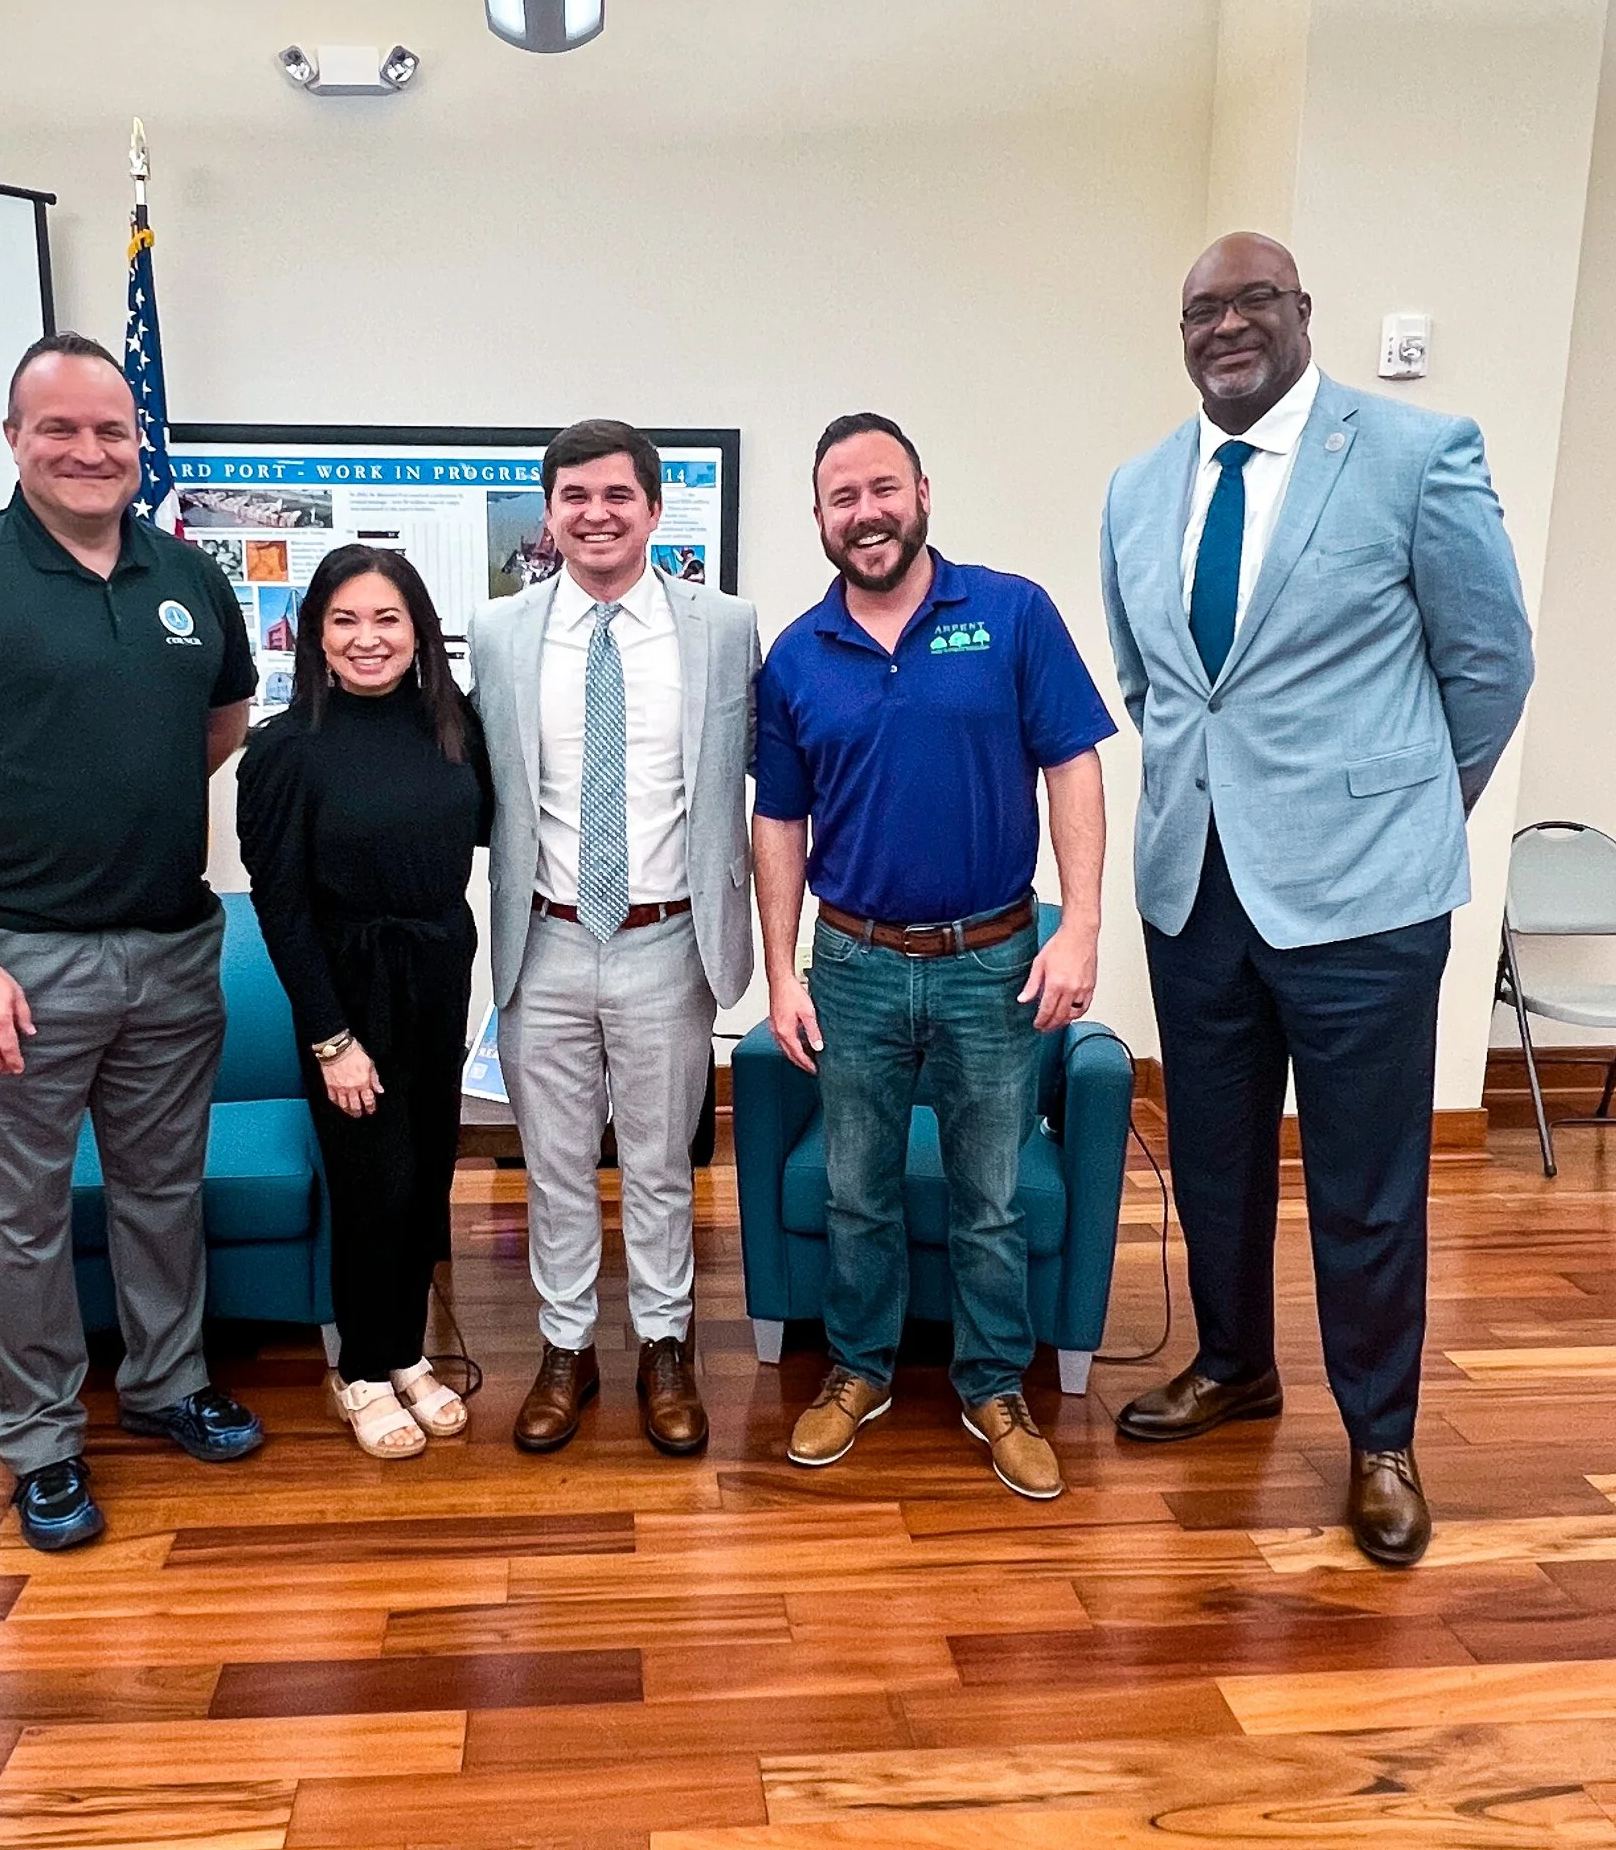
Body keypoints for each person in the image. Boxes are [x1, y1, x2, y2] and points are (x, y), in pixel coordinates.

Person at [1100, 233, 1534, 1566]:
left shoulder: (1413, 452)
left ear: (1301, 312)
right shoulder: (1137, 487)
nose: (1224, 326)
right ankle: (1233, 1363)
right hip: (1195, 888)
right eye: (1200, 310)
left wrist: (1409, 812)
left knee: (1365, 1182)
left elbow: (1490, 661)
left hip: (1366, 902)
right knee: (1214, 1160)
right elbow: (1153, 686)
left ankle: (1381, 1438)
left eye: (1251, 302)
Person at [0, 332, 265, 1554]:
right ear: (14, 439)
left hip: (172, 947)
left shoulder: (186, 574)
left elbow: (221, 719)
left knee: (161, 1190)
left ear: (140, 442)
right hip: (16, 961)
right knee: (21, 1214)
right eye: (60, 429)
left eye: (110, 430)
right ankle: (38, 1437)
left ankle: (165, 1381)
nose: (89, 450)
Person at [755, 413, 1115, 1501]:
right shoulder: (796, 656)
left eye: (882, 488)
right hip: (852, 965)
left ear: (921, 493)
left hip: (993, 962)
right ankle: (856, 1370)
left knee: (990, 1194)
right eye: (841, 498)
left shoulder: (1010, 612)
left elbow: (1073, 764)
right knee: (856, 1190)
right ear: (819, 518)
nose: (864, 513)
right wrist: (781, 971)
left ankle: (993, 1386)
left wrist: (1081, 927)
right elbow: (778, 821)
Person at [471, 419, 760, 1457]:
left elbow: (767, 773)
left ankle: (664, 1344)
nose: (595, 514)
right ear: (548, 514)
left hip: (667, 939)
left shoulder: (724, 626)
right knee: (552, 1165)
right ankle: (565, 1348)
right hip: (542, 938)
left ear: (654, 508)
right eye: (574, 496)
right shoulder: (499, 629)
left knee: (657, 1162)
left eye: (616, 495)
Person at [237, 546, 493, 1460]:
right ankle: (360, 1371)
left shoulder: (453, 726)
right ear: (315, 634)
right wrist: (330, 1039)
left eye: (387, 618)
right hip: (348, 992)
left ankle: (405, 1350)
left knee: (424, 1181)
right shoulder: (283, 749)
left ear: (420, 630)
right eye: (344, 620)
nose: (367, 638)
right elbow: (280, 907)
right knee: (371, 1187)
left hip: (438, 973)